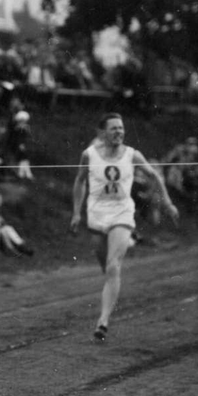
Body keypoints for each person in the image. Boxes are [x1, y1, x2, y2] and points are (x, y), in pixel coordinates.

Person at [70, 112, 177, 342]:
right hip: (96, 214)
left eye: (121, 128)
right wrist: (76, 212)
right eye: (113, 128)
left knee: (113, 266)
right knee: (106, 268)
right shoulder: (89, 155)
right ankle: (111, 287)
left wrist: (166, 201)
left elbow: (154, 176)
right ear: (103, 133)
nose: (118, 132)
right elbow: (79, 181)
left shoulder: (132, 154)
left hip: (122, 212)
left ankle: (103, 322)